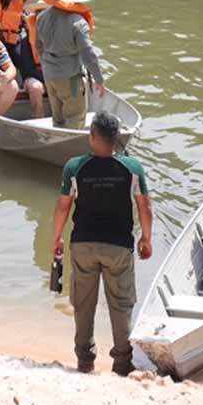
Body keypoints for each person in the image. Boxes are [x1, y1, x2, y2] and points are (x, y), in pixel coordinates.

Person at [50, 111, 152, 376]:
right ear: (116, 138)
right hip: (119, 246)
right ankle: (121, 363)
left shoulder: (75, 167)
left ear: (94, 137)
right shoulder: (133, 168)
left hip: (83, 244)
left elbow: (63, 206)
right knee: (121, 305)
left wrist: (56, 237)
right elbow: (145, 207)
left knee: (83, 304)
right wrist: (146, 238)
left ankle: (85, 360)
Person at [35, 0, 105, 130]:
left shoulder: (42, 16)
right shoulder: (78, 23)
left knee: (57, 117)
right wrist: (99, 80)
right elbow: (89, 55)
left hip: (49, 73)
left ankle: (57, 144)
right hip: (69, 76)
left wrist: (47, 64)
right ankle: (70, 149)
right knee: (75, 117)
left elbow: (38, 45)